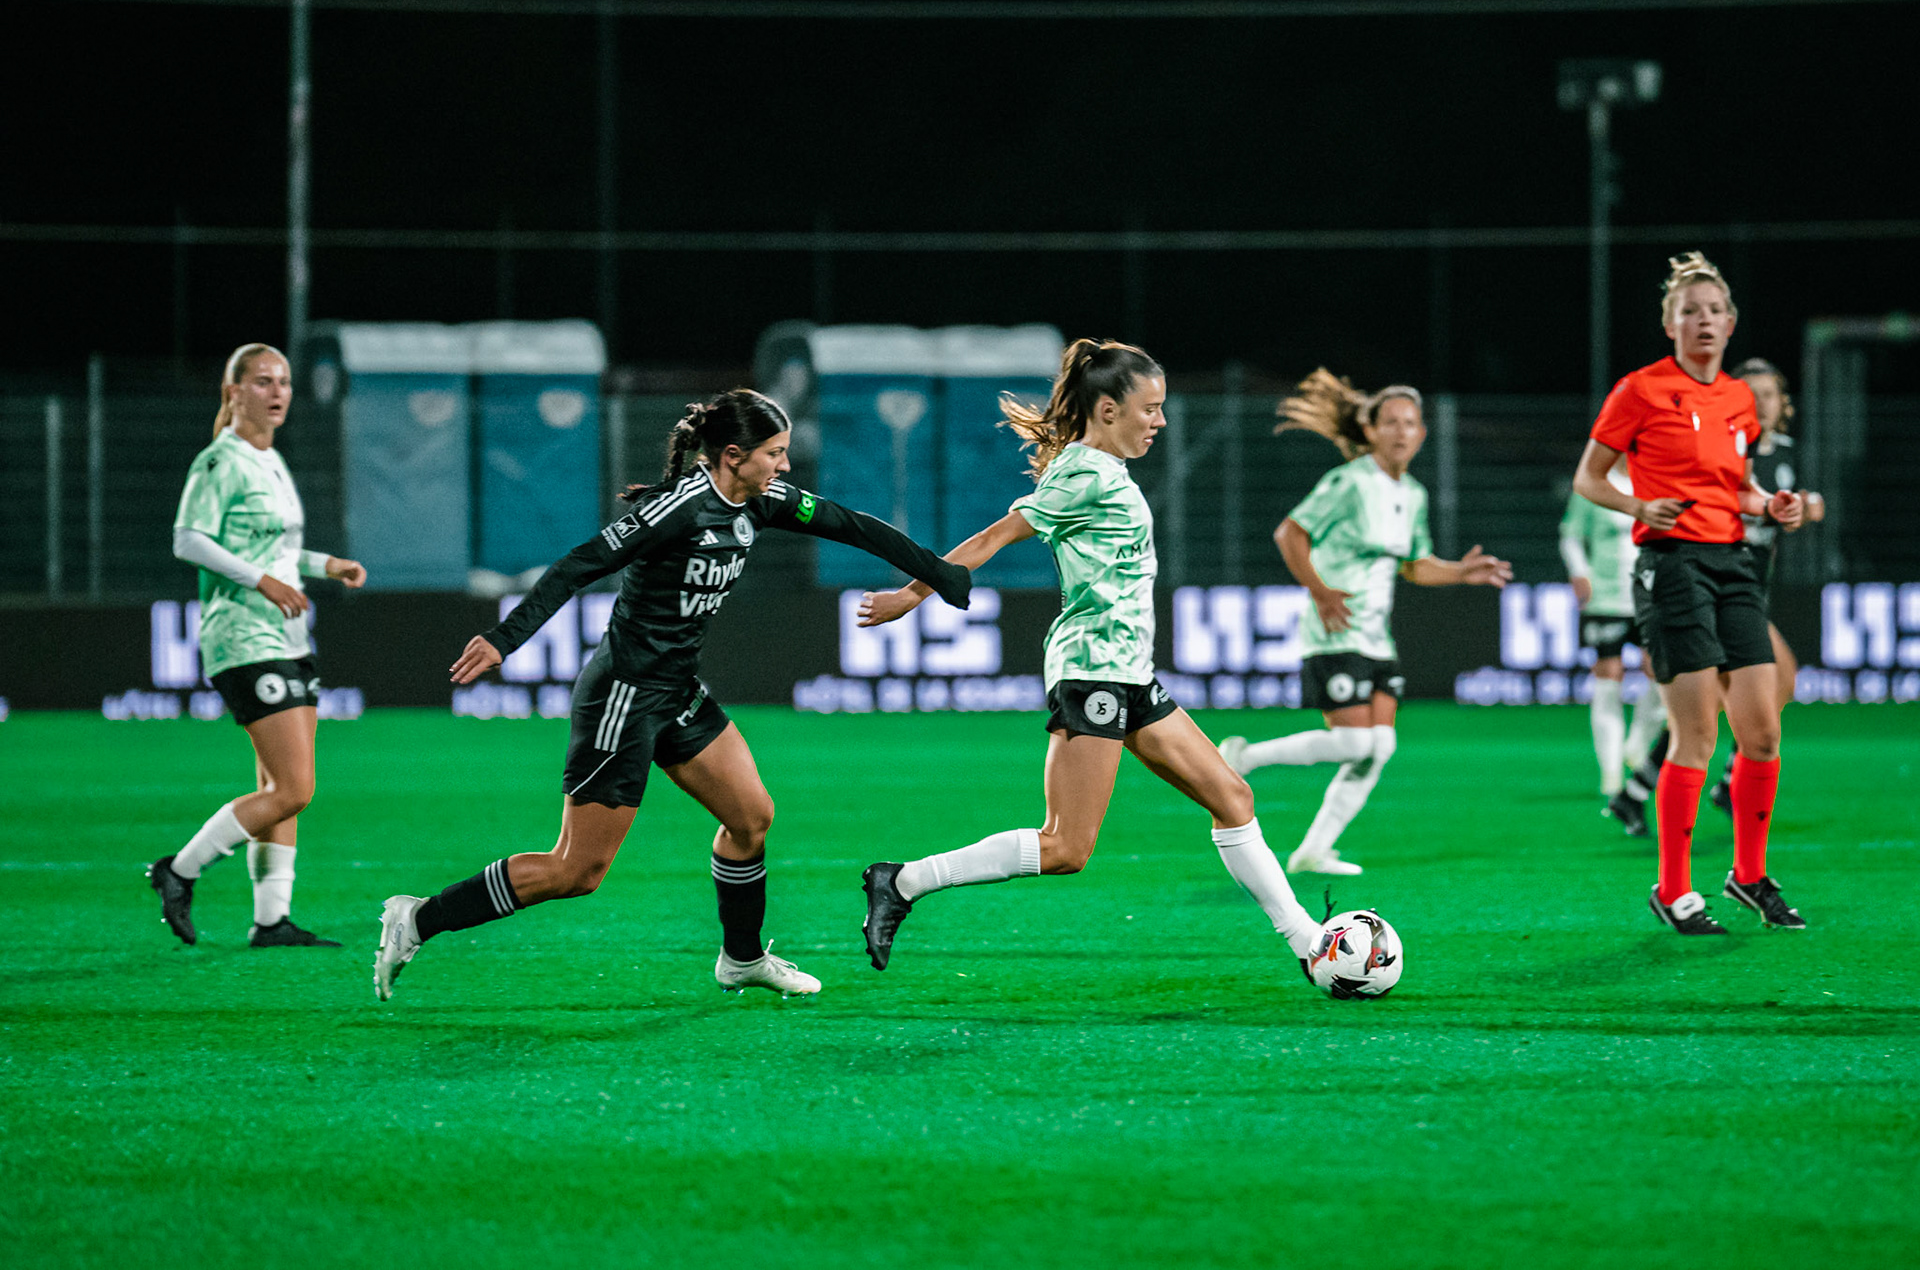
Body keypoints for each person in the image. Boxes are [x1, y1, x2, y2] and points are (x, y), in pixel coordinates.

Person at [372, 389, 971, 1001]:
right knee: (577, 871)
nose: (785, 466)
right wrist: (505, 638)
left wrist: (936, 573)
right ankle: (418, 917)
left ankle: (740, 959)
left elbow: (852, 525)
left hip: (677, 692)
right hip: (622, 701)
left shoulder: (761, 500)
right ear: (734, 456)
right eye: (775, 453)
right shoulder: (677, 510)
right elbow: (581, 563)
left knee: (751, 818)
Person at [856, 339, 1327, 979]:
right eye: (1150, 409)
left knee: (1233, 797)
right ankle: (902, 881)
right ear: (1108, 409)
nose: (1160, 421)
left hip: (1130, 672)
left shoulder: (1106, 470)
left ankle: (1309, 944)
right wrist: (913, 594)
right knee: (1066, 846)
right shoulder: (1081, 473)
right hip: (1093, 672)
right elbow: (996, 534)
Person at [1571, 252, 1806, 935]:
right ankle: (1673, 890)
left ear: (1730, 324)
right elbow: (1589, 479)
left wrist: (1772, 504)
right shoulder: (1639, 390)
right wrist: (1638, 507)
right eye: (1688, 311)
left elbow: (1738, 486)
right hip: (1671, 566)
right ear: (1669, 324)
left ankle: (1749, 876)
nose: (1702, 321)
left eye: (1713, 311)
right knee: (1696, 734)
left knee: (1761, 732)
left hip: (1733, 564)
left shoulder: (1737, 399)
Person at [1215, 370, 1511, 875]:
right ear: (1370, 430)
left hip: (1376, 635)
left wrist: (1461, 570)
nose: (1401, 431)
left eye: (1410, 423)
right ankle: (1243, 758)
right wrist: (1321, 591)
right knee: (1355, 742)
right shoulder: (1348, 482)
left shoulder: (1412, 493)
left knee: (1380, 746)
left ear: (1422, 433)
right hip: (1335, 628)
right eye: (1390, 422)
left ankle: (1312, 852)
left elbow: (1415, 564)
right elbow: (1290, 533)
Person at [147, 343, 368, 948]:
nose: (278, 393)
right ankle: (179, 870)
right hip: (243, 635)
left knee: (280, 790)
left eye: (285, 382)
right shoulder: (221, 461)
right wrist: (262, 581)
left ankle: (271, 920)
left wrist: (326, 564)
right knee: (294, 788)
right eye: (264, 381)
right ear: (234, 391)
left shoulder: (269, 460)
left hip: (287, 635)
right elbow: (189, 540)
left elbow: (272, 550)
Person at [1706, 357, 1825, 813]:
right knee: (1754, 686)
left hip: (1754, 588)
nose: (1760, 403)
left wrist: (1807, 507)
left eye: (1769, 394)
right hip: (1724, 585)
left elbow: (1809, 503)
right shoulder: (1725, 446)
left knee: (1739, 694)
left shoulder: (1786, 451)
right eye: (1749, 394)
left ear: (1784, 402)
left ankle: (1642, 790)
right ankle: (1727, 780)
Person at [1560, 466, 1668, 818]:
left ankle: (1636, 746)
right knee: (1609, 674)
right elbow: (1571, 534)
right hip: (1606, 597)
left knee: (1659, 673)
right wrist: (1580, 572)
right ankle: (1609, 771)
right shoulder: (1595, 483)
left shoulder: (1655, 478)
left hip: (1650, 594)